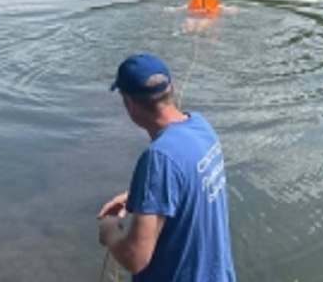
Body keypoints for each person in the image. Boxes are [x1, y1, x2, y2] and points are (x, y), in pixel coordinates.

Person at [97, 53, 236, 281]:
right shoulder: (201, 126)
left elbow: (135, 257)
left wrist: (110, 231)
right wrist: (140, 196)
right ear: (172, 88)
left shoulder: (159, 158)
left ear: (129, 103)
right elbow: (191, 184)